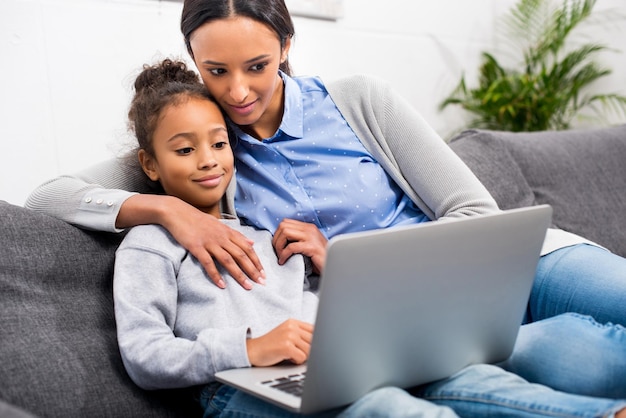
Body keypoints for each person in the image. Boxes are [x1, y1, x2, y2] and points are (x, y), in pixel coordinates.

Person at [25, 0, 626, 400]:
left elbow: (475, 213)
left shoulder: (359, 100)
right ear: (196, 65)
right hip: (404, 319)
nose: (238, 91)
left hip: (517, 264)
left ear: (287, 45)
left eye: (257, 66)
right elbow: (50, 196)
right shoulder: (203, 145)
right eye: (216, 71)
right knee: (584, 359)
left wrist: (341, 252)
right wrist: (168, 210)